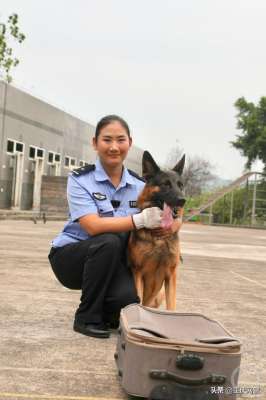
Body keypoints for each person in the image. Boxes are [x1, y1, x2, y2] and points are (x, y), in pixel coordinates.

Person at [48, 115, 179, 339]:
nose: (114, 147)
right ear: (95, 143)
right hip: (72, 258)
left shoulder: (140, 185)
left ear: (129, 142)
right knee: (108, 241)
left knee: (127, 300)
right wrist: (140, 220)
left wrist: (174, 223)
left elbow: (171, 208)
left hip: (113, 261)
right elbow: (92, 226)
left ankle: (109, 313)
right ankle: (86, 317)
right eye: (107, 140)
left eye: (121, 140)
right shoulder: (81, 180)